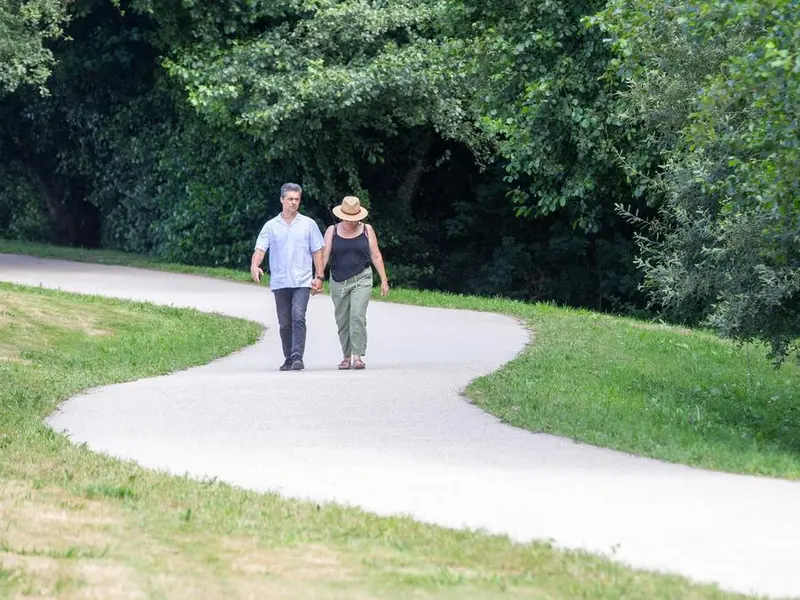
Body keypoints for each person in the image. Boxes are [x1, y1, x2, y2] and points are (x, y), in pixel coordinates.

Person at [251, 183, 325, 371]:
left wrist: (320, 276)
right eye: (290, 199)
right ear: (282, 200)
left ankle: (297, 357)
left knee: (298, 316)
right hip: (280, 281)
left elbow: (318, 251)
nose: (293, 203)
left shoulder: (308, 224)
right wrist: (255, 265)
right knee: (284, 322)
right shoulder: (271, 226)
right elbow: (260, 248)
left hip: (302, 280)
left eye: (297, 199)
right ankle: (288, 357)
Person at [322, 196, 389, 370]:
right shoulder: (332, 230)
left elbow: (375, 255)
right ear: (341, 215)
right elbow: (325, 255)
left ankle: (357, 356)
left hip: (362, 277)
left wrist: (383, 279)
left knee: (357, 315)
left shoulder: (367, 229)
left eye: (355, 218)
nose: (351, 222)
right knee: (342, 319)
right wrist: (318, 277)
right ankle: (346, 356)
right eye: (348, 218)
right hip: (338, 280)